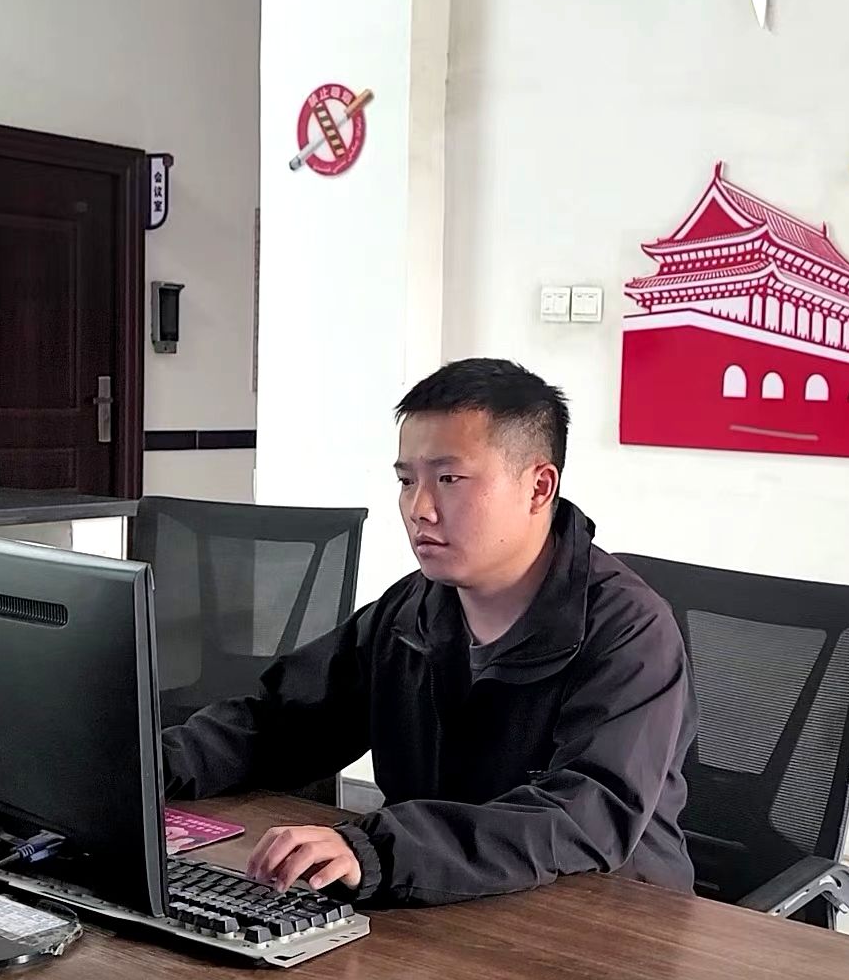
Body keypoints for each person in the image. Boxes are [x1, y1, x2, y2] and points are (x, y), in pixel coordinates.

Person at [162, 358, 697, 906]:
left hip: (597, 918)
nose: (419, 508)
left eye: (449, 480)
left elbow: (586, 814)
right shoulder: (411, 610)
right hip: (439, 901)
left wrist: (376, 849)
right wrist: (148, 767)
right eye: (406, 481)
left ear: (539, 488)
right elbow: (283, 725)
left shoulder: (630, 631)